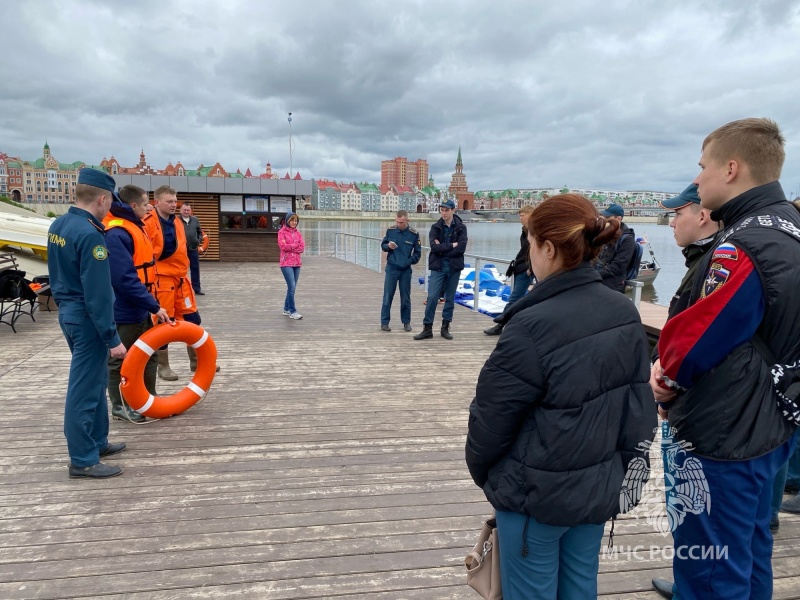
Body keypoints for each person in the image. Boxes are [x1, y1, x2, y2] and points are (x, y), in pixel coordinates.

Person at [466, 194, 656, 599]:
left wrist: (493, 480)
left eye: (531, 242)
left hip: (534, 498)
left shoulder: (530, 325)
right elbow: (639, 412)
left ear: (547, 248)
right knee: (580, 589)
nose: (529, 252)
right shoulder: (623, 312)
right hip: (594, 492)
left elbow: (490, 421)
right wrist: (617, 478)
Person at [653, 118, 800, 599]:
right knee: (751, 553)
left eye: (703, 167)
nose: (697, 180)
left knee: (711, 570)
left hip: (727, 431)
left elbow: (696, 340)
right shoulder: (791, 227)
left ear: (732, 169)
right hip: (774, 419)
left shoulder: (744, 245)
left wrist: (665, 377)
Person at [647, 183, 721, 600]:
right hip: (695, 406)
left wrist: (666, 382)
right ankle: (689, 582)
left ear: (704, 216)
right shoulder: (704, 258)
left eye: (679, 213)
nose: (672, 221)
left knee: (690, 504)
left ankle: (692, 588)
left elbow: (702, 337)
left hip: (695, 410)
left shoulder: (715, 263)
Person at [47, 168, 128, 479]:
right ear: (103, 199)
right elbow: (97, 295)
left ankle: (97, 442)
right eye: (110, 203)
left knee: (94, 384)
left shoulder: (60, 224)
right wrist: (112, 337)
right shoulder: (91, 234)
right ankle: (82, 459)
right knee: (82, 391)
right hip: (87, 320)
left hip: (68, 313)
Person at [103, 185, 170, 423]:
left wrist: (152, 304)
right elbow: (123, 279)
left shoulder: (137, 227)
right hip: (125, 310)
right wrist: (153, 305)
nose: (148, 207)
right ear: (133, 206)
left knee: (149, 355)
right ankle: (121, 405)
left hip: (144, 305)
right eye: (144, 204)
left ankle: (147, 400)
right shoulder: (116, 234)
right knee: (121, 360)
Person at [144, 186, 217, 379]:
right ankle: (163, 366)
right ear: (157, 202)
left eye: (174, 201)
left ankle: (196, 361)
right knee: (162, 322)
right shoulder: (149, 222)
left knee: (193, 319)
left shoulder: (177, 222)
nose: (173, 205)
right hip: (162, 278)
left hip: (181, 278)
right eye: (169, 201)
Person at [413, 200, 467, 340]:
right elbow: (434, 248)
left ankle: (445, 327)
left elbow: (461, 248)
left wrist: (443, 249)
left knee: (449, 298)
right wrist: (451, 245)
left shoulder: (461, 227)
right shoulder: (435, 227)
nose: (443, 213)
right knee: (432, 297)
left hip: (454, 268)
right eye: (442, 210)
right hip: (438, 267)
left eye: (446, 210)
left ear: (453, 210)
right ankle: (427, 328)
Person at [484, 204, 535, 336]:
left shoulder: (535, 232)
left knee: (515, 298)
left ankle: (501, 324)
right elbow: (524, 251)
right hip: (521, 267)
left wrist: (531, 268)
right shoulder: (524, 231)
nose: (520, 218)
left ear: (530, 215)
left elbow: (536, 251)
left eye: (522, 215)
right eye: (519, 215)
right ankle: (515, 326)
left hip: (527, 269)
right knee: (519, 298)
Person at [380, 210, 421, 332]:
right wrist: (388, 246)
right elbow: (383, 245)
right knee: (388, 296)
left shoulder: (414, 234)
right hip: (392, 268)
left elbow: (418, 254)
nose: (399, 224)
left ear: (407, 221)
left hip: (405, 270)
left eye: (401, 222)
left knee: (405, 297)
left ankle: (406, 322)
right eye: (397, 222)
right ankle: (384, 322)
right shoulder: (391, 231)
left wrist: (409, 261)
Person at [594, 203, 636, 292]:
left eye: (607, 218)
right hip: (596, 281)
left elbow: (618, 267)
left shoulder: (627, 240)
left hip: (612, 285)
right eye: (603, 217)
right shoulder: (603, 234)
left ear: (618, 219)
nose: (604, 220)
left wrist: (593, 274)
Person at [278, 211, 305, 319]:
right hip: (286, 263)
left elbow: (302, 248)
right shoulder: (282, 232)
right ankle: (293, 311)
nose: (294, 222)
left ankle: (286, 309)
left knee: (291, 288)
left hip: (297, 263)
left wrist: (291, 246)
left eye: (296, 221)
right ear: (288, 220)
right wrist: (295, 245)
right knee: (292, 287)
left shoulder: (298, 234)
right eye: (292, 220)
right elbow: (283, 247)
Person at [179, 203, 205, 295]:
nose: (186, 211)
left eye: (188, 210)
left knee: (195, 269)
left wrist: (198, 240)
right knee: (181, 269)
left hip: (193, 248)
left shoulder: (195, 220)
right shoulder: (176, 220)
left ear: (190, 211)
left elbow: (199, 232)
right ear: (180, 210)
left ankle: (196, 288)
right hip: (181, 250)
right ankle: (181, 288)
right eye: (184, 210)